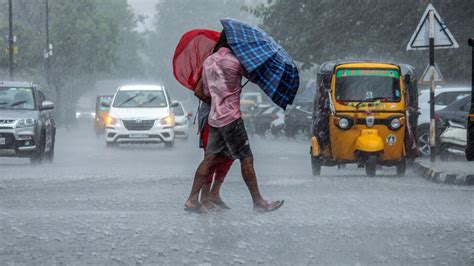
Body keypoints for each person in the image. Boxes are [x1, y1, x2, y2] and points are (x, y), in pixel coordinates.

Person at [184, 32, 284, 213]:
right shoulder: (236, 62)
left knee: (209, 159)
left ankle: (192, 199)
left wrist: (219, 100)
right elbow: (256, 77)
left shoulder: (208, 62)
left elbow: (205, 90)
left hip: (214, 119)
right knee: (246, 158)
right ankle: (258, 202)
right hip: (231, 119)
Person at [197, 100, 234, 210]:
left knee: (229, 156)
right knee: (211, 158)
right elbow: (200, 92)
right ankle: (204, 197)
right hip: (211, 119)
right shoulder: (209, 82)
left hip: (228, 118)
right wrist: (218, 101)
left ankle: (214, 193)